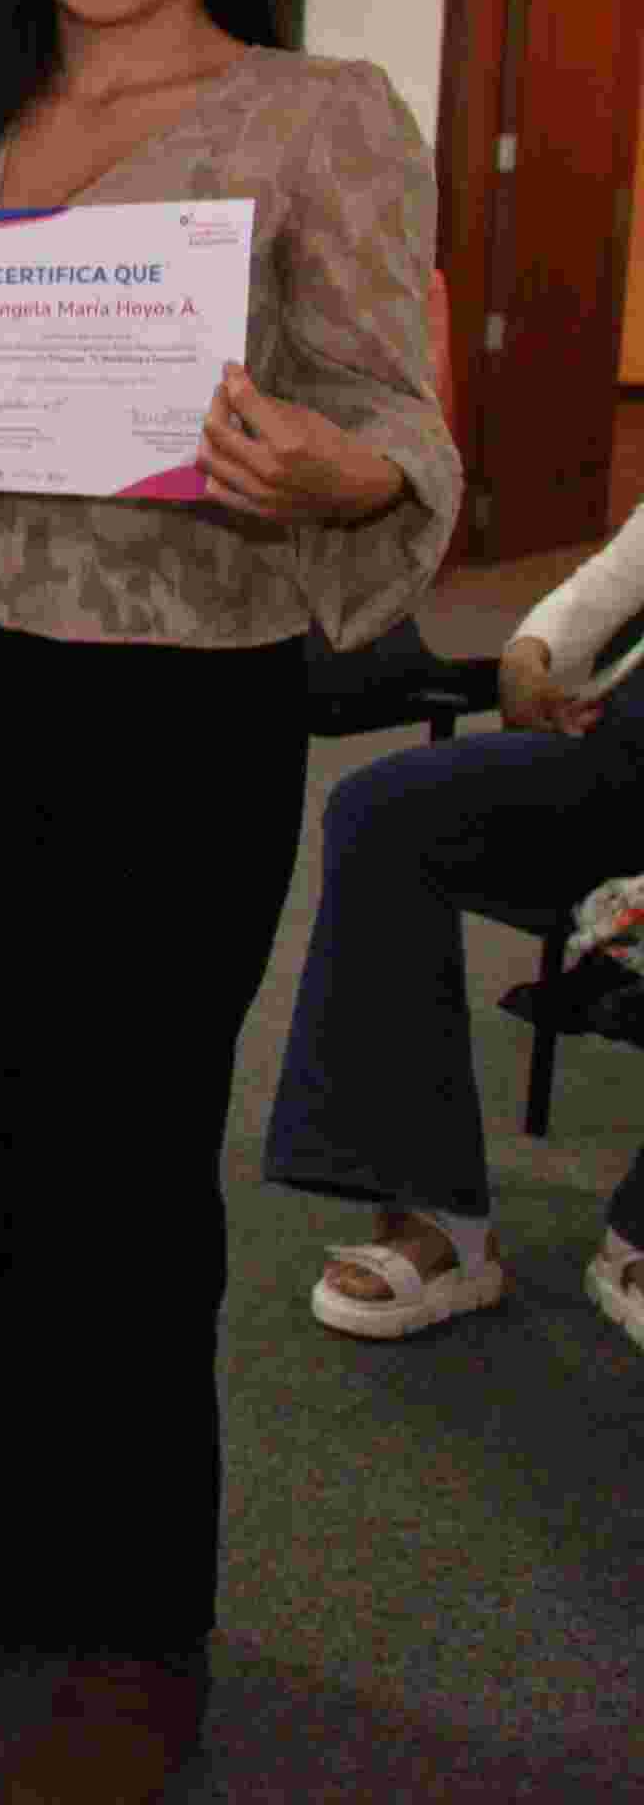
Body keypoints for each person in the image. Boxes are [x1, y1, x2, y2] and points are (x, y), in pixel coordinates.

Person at [0, 0, 456, 1805]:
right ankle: (22, 1539)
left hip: (174, 697)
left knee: (126, 1173)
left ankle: (139, 1627)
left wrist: (341, 470)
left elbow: (395, 408)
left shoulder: (320, 113)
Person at [262, 500, 644, 1348]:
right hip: (626, 766)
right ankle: (438, 1215)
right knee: (383, 814)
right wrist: (533, 652)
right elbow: (614, 579)